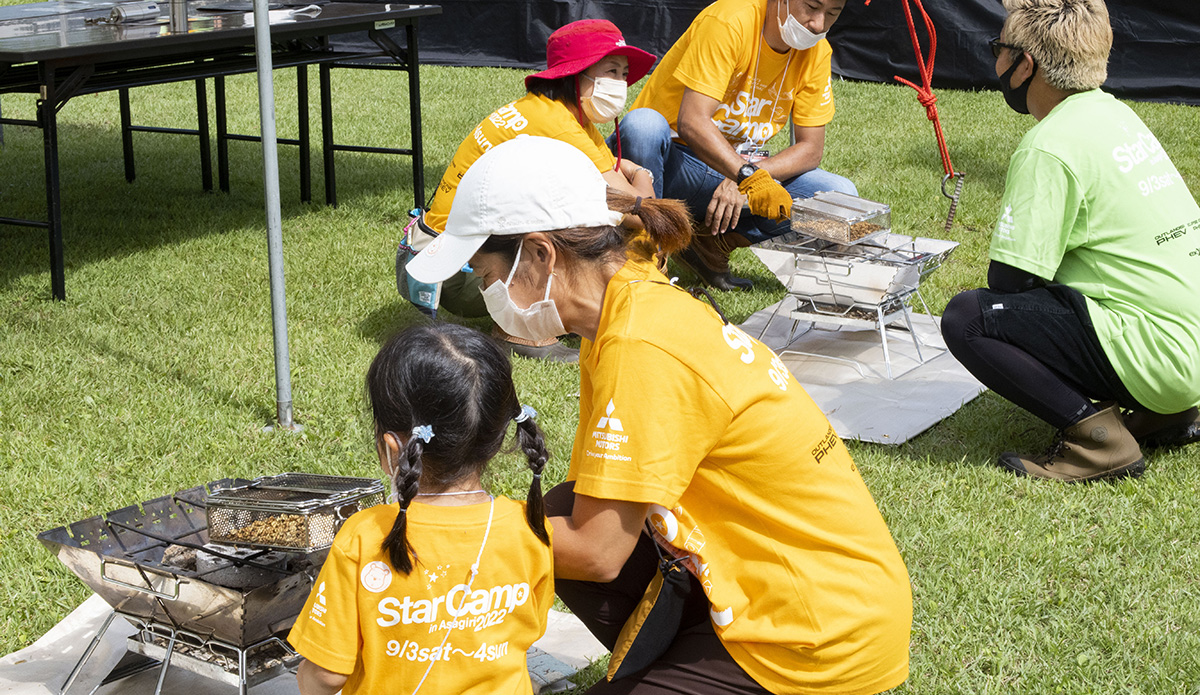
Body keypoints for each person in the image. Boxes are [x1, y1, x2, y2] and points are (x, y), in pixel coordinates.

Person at [407, 136, 911, 694]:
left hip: (820, 635)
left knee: (553, 530)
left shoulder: (641, 343)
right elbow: (591, 509)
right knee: (561, 508)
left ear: (542, 254)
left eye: (484, 276)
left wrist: (440, 531)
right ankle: (680, 662)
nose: (487, 295)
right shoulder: (626, 293)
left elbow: (598, 552)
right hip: (811, 591)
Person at [940, 0, 1200, 482]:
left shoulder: (1050, 144)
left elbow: (1011, 280)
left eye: (1000, 49)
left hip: (1161, 358)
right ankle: (1167, 412)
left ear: (1025, 65)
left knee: (970, 318)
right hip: (1190, 359)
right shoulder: (1116, 115)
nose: (995, 60)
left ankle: (1097, 443)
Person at [288, 322, 556, 694]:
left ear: (393, 449)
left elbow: (327, 673)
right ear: (496, 440)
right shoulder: (529, 527)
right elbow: (527, 630)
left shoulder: (366, 537)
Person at [396, 18, 657, 362]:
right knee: (595, 226)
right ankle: (519, 327)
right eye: (611, 71)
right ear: (575, 74)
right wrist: (645, 175)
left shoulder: (554, 113)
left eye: (624, 74)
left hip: (430, 254)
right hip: (456, 276)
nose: (621, 84)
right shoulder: (559, 125)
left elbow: (617, 179)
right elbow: (641, 210)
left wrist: (632, 176)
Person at [611, 0, 856, 291]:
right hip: (673, 162)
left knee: (840, 196)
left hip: (735, 170)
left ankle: (711, 243)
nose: (818, 24)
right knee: (643, 125)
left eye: (832, 14)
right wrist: (747, 176)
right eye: (811, 7)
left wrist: (753, 175)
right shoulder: (730, 20)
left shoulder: (818, 51)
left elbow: (811, 149)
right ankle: (643, 262)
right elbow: (692, 121)